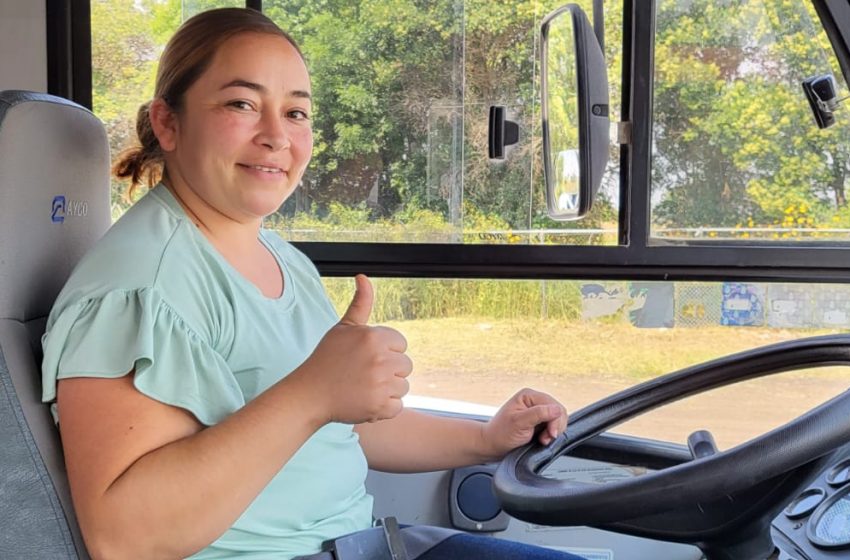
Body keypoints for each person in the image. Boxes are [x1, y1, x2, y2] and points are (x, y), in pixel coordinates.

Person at [41, 8, 584, 560]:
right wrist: (312, 393)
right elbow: (123, 538)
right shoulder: (140, 287)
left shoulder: (277, 256)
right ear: (168, 123)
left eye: (296, 112)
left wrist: (486, 439)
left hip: (369, 544)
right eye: (241, 104)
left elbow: (340, 425)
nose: (277, 136)